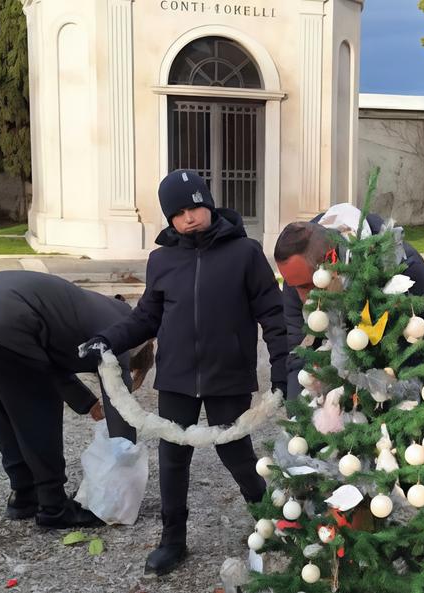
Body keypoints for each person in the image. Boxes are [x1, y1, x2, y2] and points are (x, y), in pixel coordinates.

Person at [273, 206, 424, 555]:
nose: (302, 296)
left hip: (422, 357)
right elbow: (297, 345)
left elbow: (413, 344)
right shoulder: (299, 268)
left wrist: (385, 396)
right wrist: (301, 410)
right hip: (348, 359)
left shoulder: (401, 263)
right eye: (293, 286)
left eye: (309, 285)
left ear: (331, 260)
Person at [82, 169, 288, 576]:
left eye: (195, 206)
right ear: (170, 219)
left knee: (238, 456)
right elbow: (145, 317)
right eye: (177, 212)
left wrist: (282, 372)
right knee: (173, 459)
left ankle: (273, 524)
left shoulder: (245, 254)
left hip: (228, 375)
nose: (188, 217)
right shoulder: (162, 260)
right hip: (176, 378)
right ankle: (172, 539)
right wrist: (107, 339)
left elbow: (274, 317)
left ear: (208, 204)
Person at [0, 270, 153, 529]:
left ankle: (24, 495)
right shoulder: (124, 338)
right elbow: (120, 407)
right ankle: (54, 507)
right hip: (10, 316)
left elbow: (49, 360)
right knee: (38, 411)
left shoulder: (102, 310)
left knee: (2, 407)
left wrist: (86, 402)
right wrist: (125, 458)